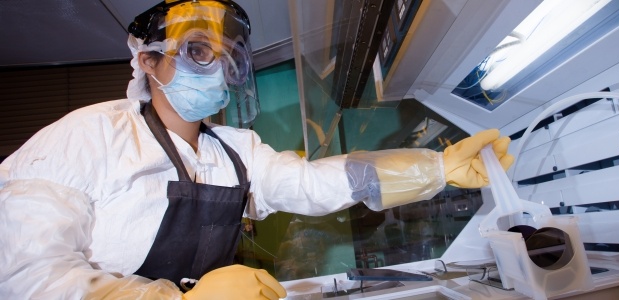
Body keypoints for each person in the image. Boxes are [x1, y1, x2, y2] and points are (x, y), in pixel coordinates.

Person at [0, 0, 514, 299]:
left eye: (228, 58)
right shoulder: (87, 135)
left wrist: (437, 168)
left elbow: (314, 184)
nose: (217, 70)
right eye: (198, 50)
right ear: (149, 61)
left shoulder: (235, 151)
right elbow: (24, 275)